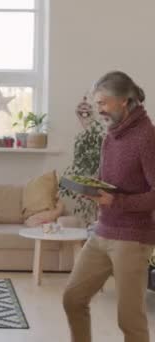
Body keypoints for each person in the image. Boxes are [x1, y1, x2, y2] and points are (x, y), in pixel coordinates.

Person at [62, 71, 155, 342]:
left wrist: (118, 201)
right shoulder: (111, 136)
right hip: (103, 231)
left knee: (130, 320)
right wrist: (91, 189)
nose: (99, 109)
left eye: (103, 103)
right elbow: (109, 183)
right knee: (73, 298)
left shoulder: (147, 137)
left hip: (132, 239)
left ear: (124, 101)